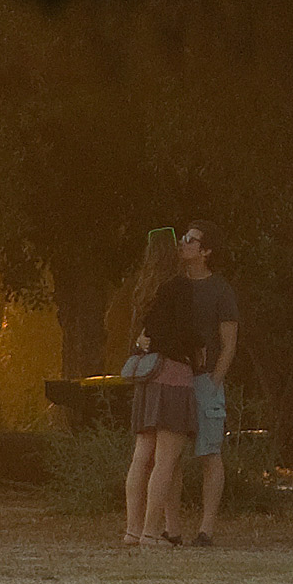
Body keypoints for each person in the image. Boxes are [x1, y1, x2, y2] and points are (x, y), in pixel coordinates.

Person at [123, 229, 201, 549]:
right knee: (167, 458)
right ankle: (152, 533)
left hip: (149, 376)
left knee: (142, 456)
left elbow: (145, 338)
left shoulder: (144, 291)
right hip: (175, 374)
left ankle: (131, 529)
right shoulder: (180, 288)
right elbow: (184, 335)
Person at [175, 220, 238, 546]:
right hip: (175, 379)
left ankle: (206, 529)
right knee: (170, 456)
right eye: (183, 238)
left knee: (209, 454)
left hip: (205, 381)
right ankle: (170, 528)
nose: (183, 243)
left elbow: (229, 344)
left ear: (206, 250)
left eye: (190, 239)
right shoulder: (173, 286)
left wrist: (214, 381)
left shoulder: (220, 290)